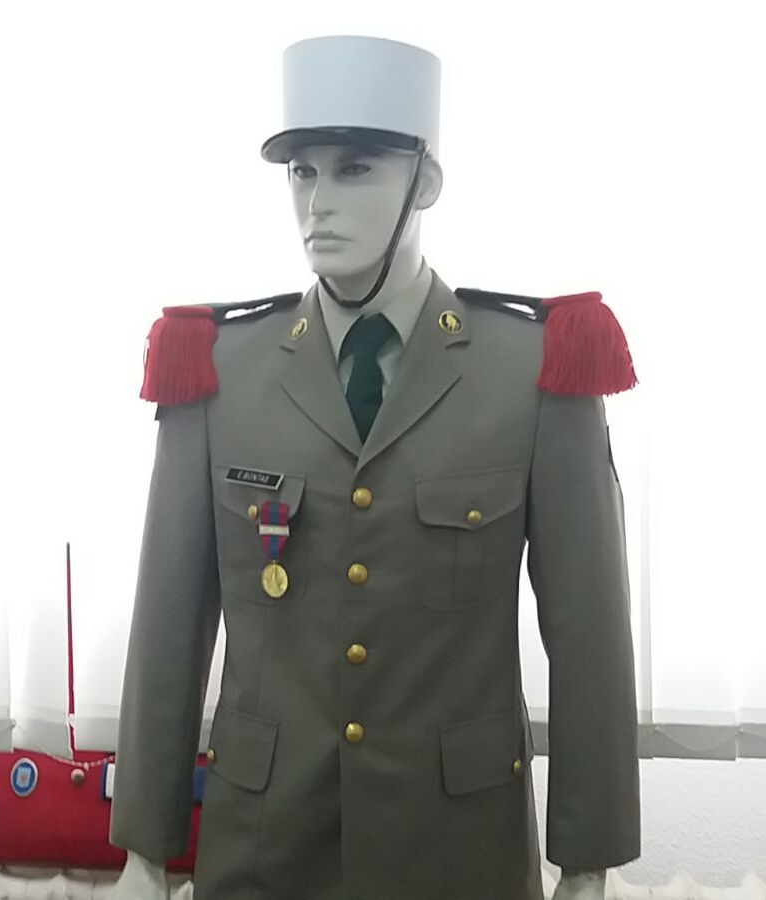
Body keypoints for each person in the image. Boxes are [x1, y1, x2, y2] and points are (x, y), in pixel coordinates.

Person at [109, 35, 640, 900]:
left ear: (425, 183)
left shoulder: (533, 372)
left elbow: (589, 637)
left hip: (459, 851)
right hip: (264, 848)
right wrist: (144, 850)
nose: (318, 203)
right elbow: (168, 627)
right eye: (302, 173)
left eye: (355, 170)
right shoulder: (218, 371)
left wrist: (588, 862)